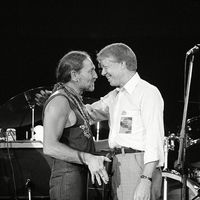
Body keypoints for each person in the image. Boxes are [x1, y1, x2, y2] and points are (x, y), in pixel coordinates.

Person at [86, 43, 165, 200]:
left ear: (122, 64)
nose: (103, 73)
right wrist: (58, 101)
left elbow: (154, 140)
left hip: (138, 165)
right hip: (118, 164)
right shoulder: (116, 95)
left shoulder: (147, 92)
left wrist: (145, 179)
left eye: (105, 67)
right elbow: (89, 113)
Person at [42, 51, 111, 200]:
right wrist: (88, 158)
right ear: (74, 75)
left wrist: (114, 144)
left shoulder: (74, 101)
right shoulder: (60, 101)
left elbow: (81, 144)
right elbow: (49, 146)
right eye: (91, 70)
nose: (96, 76)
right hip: (66, 183)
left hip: (77, 181)